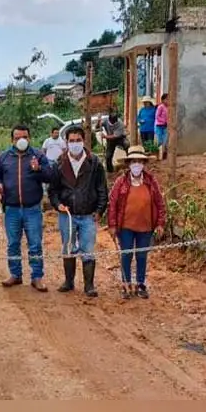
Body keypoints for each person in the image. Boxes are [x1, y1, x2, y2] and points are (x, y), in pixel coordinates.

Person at [47, 127, 108, 298]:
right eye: (71, 141)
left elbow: (102, 189)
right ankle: (69, 282)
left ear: (83, 141)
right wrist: (57, 204)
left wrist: (100, 210)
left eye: (78, 140)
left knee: (88, 249)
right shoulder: (59, 163)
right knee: (68, 247)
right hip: (67, 214)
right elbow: (53, 190)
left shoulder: (94, 162)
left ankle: (89, 285)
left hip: (88, 215)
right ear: (66, 142)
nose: (75, 144)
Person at [0, 125, 54, 292]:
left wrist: (38, 169)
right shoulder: (4, 157)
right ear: (12, 140)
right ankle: (15, 274)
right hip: (11, 208)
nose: (21, 140)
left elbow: (49, 176)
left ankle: (37, 277)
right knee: (13, 243)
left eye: (24, 137)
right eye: (17, 137)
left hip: (32, 208)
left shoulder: (38, 156)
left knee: (35, 244)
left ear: (29, 138)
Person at [106, 145, 167, 299]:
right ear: (128, 164)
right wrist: (112, 225)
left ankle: (140, 284)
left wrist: (160, 223)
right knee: (126, 255)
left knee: (141, 256)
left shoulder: (151, 181)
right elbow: (112, 204)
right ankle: (126, 284)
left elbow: (160, 203)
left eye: (140, 161)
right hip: (125, 227)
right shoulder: (121, 182)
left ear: (144, 163)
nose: (137, 165)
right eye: (133, 161)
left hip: (146, 227)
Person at [155, 93, 170, 160]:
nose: (168, 100)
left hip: (166, 126)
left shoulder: (169, 107)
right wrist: (164, 121)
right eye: (167, 99)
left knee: (165, 141)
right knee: (160, 141)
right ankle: (159, 155)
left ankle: (164, 154)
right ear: (163, 100)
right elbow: (157, 116)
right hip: (159, 126)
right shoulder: (160, 107)